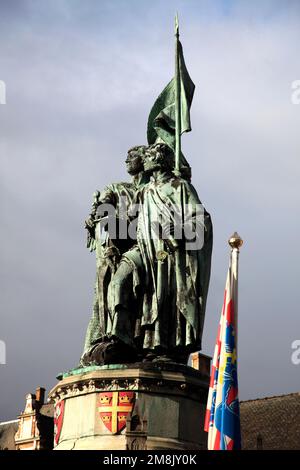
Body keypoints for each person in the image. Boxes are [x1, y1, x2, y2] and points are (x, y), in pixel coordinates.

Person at [109, 143, 213, 364]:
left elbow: (201, 219)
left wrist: (180, 229)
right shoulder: (146, 191)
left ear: (159, 159)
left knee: (163, 299)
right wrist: (105, 224)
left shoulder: (180, 187)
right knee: (120, 281)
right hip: (143, 250)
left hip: (168, 255)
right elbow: (130, 223)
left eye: (148, 156)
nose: (144, 160)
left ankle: (160, 347)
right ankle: (121, 339)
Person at [80, 145, 149, 366]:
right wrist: (97, 214)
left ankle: (127, 341)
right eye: (126, 156)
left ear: (144, 161)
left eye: (132, 156)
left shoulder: (152, 191)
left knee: (121, 287)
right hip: (117, 248)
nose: (127, 160)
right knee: (104, 294)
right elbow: (103, 205)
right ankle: (97, 345)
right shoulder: (117, 188)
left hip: (146, 251)